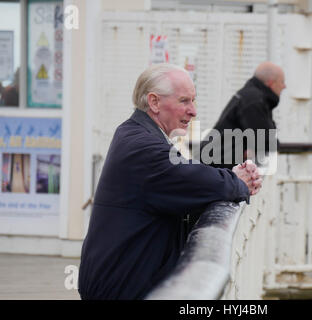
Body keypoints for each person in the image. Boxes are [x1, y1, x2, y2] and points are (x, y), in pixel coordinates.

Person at [78, 63, 262, 300]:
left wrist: (234, 177)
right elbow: (190, 178)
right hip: (120, 289)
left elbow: (188, 176)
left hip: (121, 282)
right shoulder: (143, 147)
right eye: (184, 101)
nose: (193, 111)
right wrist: (238, 181)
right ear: (154, 102)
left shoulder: (134, 133)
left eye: (193, 100)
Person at [200, 61, 286, 170]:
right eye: (282, 82)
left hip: (214, 165)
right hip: (217, 169)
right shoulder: (254, 101)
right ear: (270, 83)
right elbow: (266, 141)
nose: (284, 86)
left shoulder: (249, 96)